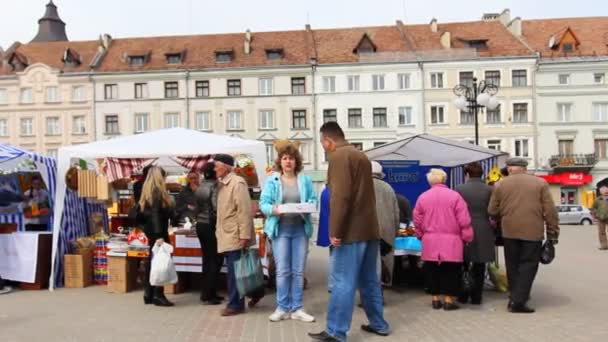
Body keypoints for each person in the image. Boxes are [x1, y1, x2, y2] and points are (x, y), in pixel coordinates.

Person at [309, 122, 390, 342]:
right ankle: (379, 324)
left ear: (328, 140)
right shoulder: (360, 155)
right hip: (369, 228)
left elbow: (341, 197)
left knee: (343, 282)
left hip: (350, 232)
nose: (324, 148)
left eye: (323, 143)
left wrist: (335, 231)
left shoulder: (338, 156)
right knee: (369, 280)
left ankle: (336, 331)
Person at [488, 157, 559, 314]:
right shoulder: (540, 183)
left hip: (509, 232)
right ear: (525, 168)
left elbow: (492, 211)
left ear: (510, 169)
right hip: (532, 232)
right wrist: (553, 233)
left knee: (512, 266)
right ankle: (519, 301)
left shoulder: (500, 184)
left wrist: (505, 215)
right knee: (528, 265)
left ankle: (514, 297)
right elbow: (550, 211)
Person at [260, 143, 317, 323]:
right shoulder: (272, 181)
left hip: (300, 230)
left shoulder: (305, 180)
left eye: (291, 158)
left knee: (298, 271)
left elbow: (313, 200)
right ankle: (282, 307)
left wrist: (308, 206)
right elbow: (264, 204)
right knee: (283, 271)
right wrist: (274, 209)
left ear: (296, 161)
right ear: (280, 162)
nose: (288, 162)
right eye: (284, 158)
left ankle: (297, 308)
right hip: (281, 230)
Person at [413, 168, 474, 311]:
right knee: (451, 270)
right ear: (444, 179)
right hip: (452, 240)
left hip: (430, 239)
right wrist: (467, 237)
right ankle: (448, 300)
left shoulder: (423, 197)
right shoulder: (455, 196)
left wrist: (420, 234)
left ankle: (435, 299)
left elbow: (417, 219)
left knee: (432, 269)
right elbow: (464, 220)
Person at [214, 154, 257, 317]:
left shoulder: (237, 183)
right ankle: (235, 302)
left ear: (225, 166)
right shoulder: (224, 183)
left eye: (217, 165)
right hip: (228, 233)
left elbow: (244, 211)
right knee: (234, 271)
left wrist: (245, 235)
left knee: (235, 272)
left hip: (235, 234)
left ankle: (235, 305)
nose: (215, 168)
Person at [455, 162, 495, 305]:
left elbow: (455, 210)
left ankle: (463, 295)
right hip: (484, 228)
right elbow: (494, 210)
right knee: (480, 264)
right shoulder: (490, 189)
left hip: (463, 228)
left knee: (463, 262)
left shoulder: (459, 189)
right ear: (482, 173)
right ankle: (477, 297)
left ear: (467, 174)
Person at [138, 166, 176, 307]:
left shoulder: (147, 191)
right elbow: (155, 215)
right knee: (161, 263)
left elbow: (145, 215)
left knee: (153, 262)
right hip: (158, 232)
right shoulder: (157, 192)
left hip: (151, 232)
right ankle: (158, 295)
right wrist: (160, 235)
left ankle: (149, 293)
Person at [195, 162, 223, 304]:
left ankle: (208, 292)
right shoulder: (215, 187)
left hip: (200, 224)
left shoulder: (200, 186)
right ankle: (208, 295)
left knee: (207, 259)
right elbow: (216, 207)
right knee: (215, 260)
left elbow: (197, 208)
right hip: (211, 225)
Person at [370, 161, 399, 287]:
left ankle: (371, 292)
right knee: (385, 258)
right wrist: (396, 230)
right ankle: (384, 282)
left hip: (367, 231)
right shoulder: (388, 188)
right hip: (387, 231)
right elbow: (396, 213)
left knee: (368, 262)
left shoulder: (360, 186)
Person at [592, 185, 608, 250]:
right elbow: (594, 208)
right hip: (601, 218)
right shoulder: (598, 199)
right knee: (601, 232)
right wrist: (596, 215)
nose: (605, 191)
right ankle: (604, 246)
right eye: (604, 190)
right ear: (601, 192)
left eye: (606, 190)